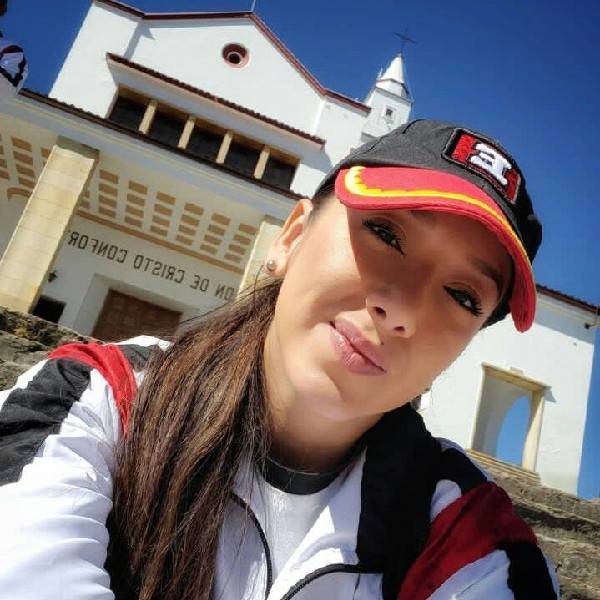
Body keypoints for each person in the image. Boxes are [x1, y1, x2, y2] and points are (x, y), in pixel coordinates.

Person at [0, 120, 560, 600]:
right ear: (291, 238)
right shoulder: (98, 397)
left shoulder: (475, 539)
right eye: (385, 234)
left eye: (462, 297)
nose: (401, 309)